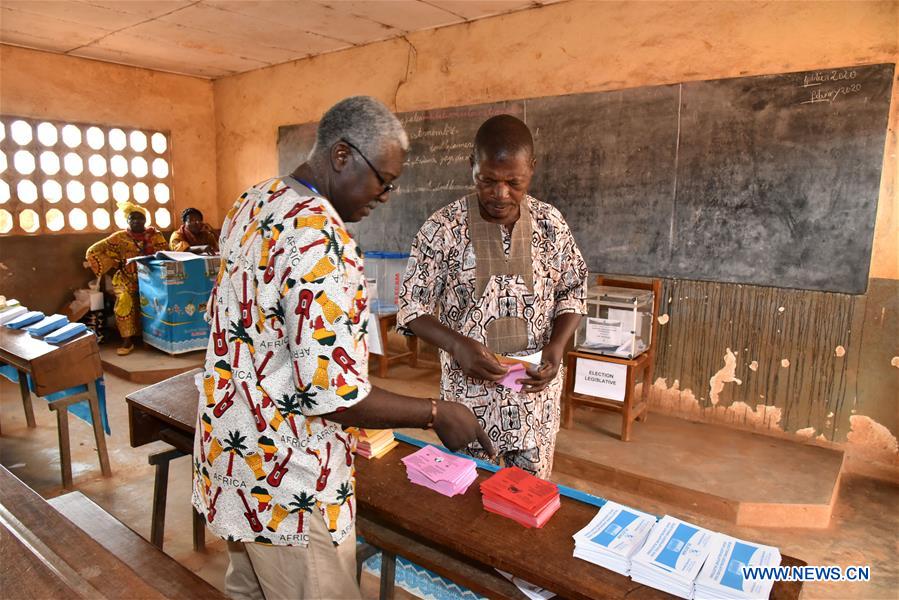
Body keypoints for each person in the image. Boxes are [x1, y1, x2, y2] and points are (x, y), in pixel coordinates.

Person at [192, 96, 493, 600]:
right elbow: (333, 396)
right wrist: (435, 412)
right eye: (382, 180)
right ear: (341, 155)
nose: (385, 196)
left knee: (249, 590)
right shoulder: (322, 240)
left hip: (231, 454)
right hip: (286, 485)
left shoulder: (255, 200)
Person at [397, 114, 588, 479]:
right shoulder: (442, 229)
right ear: (472, 166)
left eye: (513, 182)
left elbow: (573, 289)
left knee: (527, 498)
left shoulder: (551, 224)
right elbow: (411, 306)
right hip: (468, 407)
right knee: (467, 495)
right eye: (487, 180)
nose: (500, 194)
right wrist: (457, 345)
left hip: (535, 405)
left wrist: (556, 347)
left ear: (531, 169)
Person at [85, 201, 167, 355]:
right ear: (127, 221)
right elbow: (93, 251)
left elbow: (165, 253)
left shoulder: (155, 235)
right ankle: (127, 341)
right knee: (124, 300)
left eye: (140, 218)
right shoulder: (119, 237)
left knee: (154, 302)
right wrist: (113, 262)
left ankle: (151, 338)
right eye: (132, 218)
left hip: (150, 278)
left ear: (145, 220)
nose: (136, 221)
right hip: (125, 278)